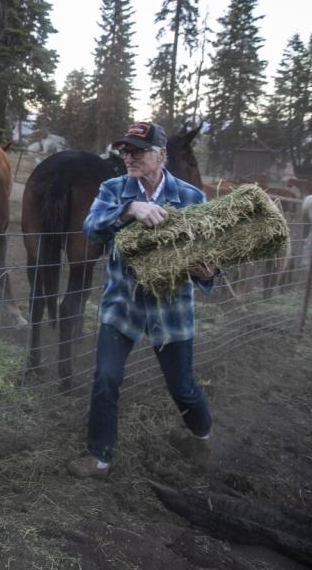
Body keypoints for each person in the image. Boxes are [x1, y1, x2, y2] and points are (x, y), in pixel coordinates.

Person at [68, 121, 218, 478]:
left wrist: (207, 272)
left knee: (182, 388)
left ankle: (204, 435)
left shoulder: (192, 198)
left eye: (139, 150)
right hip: (123, 304)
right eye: (126, 150)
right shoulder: (114, 189)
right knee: (106, 378)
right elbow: (91, 228)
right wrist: (129, 210)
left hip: (172, 309)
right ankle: (99, 457)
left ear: (161, 155)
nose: (129, 156)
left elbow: (210, 259)